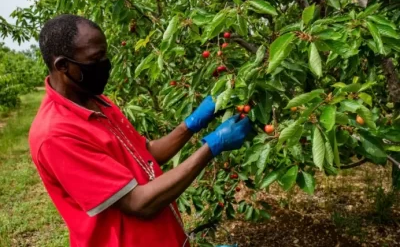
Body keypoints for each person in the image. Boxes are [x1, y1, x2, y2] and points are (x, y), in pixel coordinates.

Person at [28, 14, 251, 247]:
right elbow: (139, 203)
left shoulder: (96, 101)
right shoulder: (56, 135)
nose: (106, 63)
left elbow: (145, 154)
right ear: (63, 65)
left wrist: (193, 123)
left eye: (105, 53)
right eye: (96, 58)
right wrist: (212, 146)